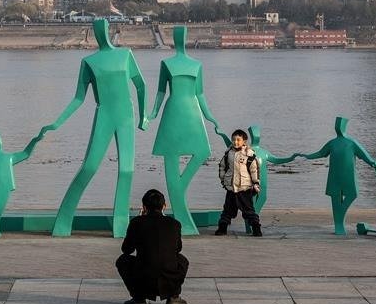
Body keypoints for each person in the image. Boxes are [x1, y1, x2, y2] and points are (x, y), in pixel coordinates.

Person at [38, 19, 148, 238]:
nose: (102, 33)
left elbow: (140, 85)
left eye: (104, 29)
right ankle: (63, 222)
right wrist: (57, 122)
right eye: (98, 30)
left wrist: (143, 116)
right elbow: (78, 98)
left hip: (126, 115)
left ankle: (121, 226)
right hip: (104, 114)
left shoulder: (125, 55)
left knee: (126, 170)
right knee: (89, 167)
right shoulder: (88, 62)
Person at [149, 26, 226, 235]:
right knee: (171, 159)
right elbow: (160, 93)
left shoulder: (197, 65)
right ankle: (182, 217)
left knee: (203, 152)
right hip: (172, 112)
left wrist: (211, 118)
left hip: (192, 113)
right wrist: (152, 114)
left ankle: (179, 190)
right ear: (174, 39)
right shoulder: (166, 63)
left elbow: (200, 95)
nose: (180, 38)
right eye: (177, 36)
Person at [297, 116, 376, 235]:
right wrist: (307, 156)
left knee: (352, 194)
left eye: (340, 125)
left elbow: (363, 154)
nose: (338, 128)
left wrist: (372, 162)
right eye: (336, 125)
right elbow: (321, 153)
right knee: (335, 199)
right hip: (334, 176)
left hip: (348, 176)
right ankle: (339, 225)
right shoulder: (332, 143)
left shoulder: (351, 143)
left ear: (344, 126)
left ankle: (340, 215)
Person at [116, 189, 188, 304]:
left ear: (144, 207)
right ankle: (173, 296)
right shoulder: (174, 224)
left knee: (123, 260)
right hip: (169, 278)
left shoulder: (136, 222)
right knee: (182, 260)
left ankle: (139, 298)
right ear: (164, 206)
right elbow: (178, 249)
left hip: (143, 279)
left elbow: (126, 250)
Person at [214, 129, 262, 237]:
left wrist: (256, 183)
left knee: (249, 211)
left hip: (244, 188)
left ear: (244, 142)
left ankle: (256, 228)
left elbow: (254, 170)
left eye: (238, 140)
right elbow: (222, 166)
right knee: (227, 211)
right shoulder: (228, 154)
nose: (235, 142)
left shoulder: (249, 155)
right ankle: (222, 228)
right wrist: (223, 179)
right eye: (234, 140)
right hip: (231, 188)